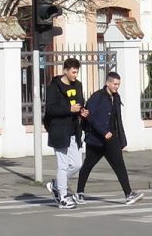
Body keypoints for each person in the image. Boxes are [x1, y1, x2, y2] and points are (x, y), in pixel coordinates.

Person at [75, 71, 143, 205]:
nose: (117, 87)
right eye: (115, 84)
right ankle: (79, 193)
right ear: (107, 83)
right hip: (96, 139)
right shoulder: (97, 97)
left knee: (119, 165)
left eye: (118, 84)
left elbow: (118, 120)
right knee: (87, 165)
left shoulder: (116, 97)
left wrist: (122, 140)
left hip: (112, 139)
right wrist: (103, 131)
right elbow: (90, 116)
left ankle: (128, 194)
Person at [43, 57, 88, 208]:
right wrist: (69, 109)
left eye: (77, 72)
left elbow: (80, 102)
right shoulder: (54, 87)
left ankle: (56, 184)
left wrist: (82, 111)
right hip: (59, 130)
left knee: (77, 164)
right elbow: (50, 109)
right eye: (73, 72)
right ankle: (63, 197)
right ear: (65, 71)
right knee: (62, 165)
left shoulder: (78, 85)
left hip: (74, 130)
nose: (75, 75)